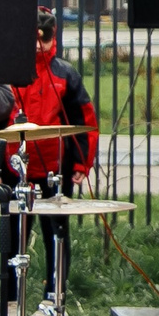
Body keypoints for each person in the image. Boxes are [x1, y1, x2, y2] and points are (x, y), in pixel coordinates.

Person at [12, 10, 98, 190]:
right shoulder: (9, 72)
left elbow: (83, 120)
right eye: (33, 39)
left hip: (56, 166)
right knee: (11, 216)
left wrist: (81, 162)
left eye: (44, 39)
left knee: (55, 217)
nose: (38, 45)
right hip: (12, 166)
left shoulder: (65, 75)